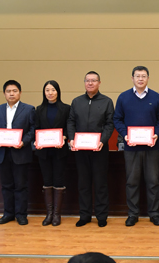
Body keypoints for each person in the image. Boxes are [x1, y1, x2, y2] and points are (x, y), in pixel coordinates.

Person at [114, 66, 159, 227]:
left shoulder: (156, 97)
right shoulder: (123, 97)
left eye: (143, 76)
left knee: (153, 181)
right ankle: (133, 214)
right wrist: (125, 134)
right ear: (132, 78)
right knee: (132, 182)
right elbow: (117, 119)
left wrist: (157, 133)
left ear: (148, 78)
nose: (140, 79)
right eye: (137, 76)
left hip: (151, 147)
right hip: (131, 147)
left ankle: (154, 213)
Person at [68, 71, 114, 228]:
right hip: (81, 150)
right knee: (83, 184)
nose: (90, 83)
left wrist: (102, 140)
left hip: (99, 149)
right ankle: (85, 215)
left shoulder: (107, 101)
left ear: (99, 83)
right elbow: (71, 121)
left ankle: (101, 216)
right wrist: (72, 139)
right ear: (84, 83)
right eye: (87, 80)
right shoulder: (77, 102)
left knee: (100, 183)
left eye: (93, 80)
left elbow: (109, 124)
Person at [0, 80, 35, 225]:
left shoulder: (29, 109)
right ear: (4, 94)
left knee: (21, 185)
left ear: (20, 92)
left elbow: (33, 129)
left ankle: (21, 215)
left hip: (20, 152)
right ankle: (8, 213)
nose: (11, 94)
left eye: (14, 91)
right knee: (6, 185)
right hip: (2, 153)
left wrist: (23, 142)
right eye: (8, 91)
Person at [34, 80, 70, 226]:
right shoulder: (38, 109)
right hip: (43, 152)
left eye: (53, 90)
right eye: (47, 90)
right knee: (47, 181)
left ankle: (57, 214)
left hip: (60, 151)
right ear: (44, 92)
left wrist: (64, 137)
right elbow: (36, 128)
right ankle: (48, 214)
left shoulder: (66, 108)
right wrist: (37, 140)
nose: (50, 93)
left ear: (58, 91)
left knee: (58, 181)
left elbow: (69, 127)